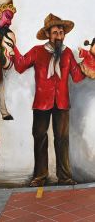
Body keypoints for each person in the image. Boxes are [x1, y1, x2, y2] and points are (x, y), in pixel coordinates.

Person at [12, 13, 85, 187]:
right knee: (40, 138)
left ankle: (65, 177)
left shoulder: (67, 53)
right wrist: (12, 48)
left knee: (62, 139)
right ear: (48, 35)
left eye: (61, 32)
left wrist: (90, 62)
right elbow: (21, 65)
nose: (59, 36)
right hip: (41, 103)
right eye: (55, 33)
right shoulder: (37, 51)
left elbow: (76, 77)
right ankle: (40, 176)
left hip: (61, 103)